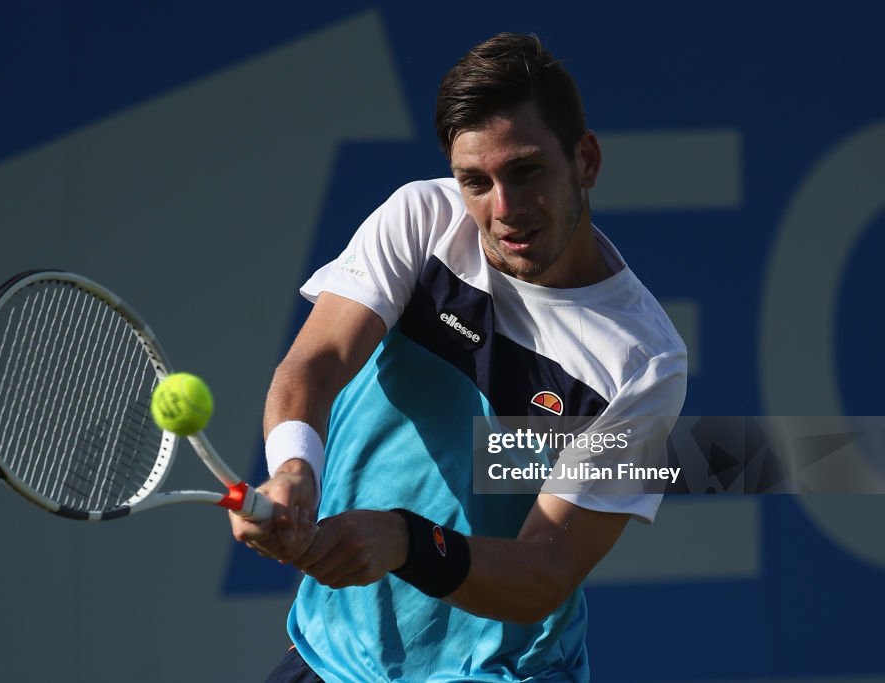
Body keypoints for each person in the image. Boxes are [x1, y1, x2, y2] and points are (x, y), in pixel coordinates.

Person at [230, 31, 687, 682]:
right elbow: (316, 365)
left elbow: (542, 573)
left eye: (525, 171)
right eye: (476, 182)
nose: (503, 211)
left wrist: (405, 541)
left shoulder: (641, 361)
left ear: (585, 161)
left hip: (496, 672)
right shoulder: (421, 221)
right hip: (332, 653)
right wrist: (295, 468)